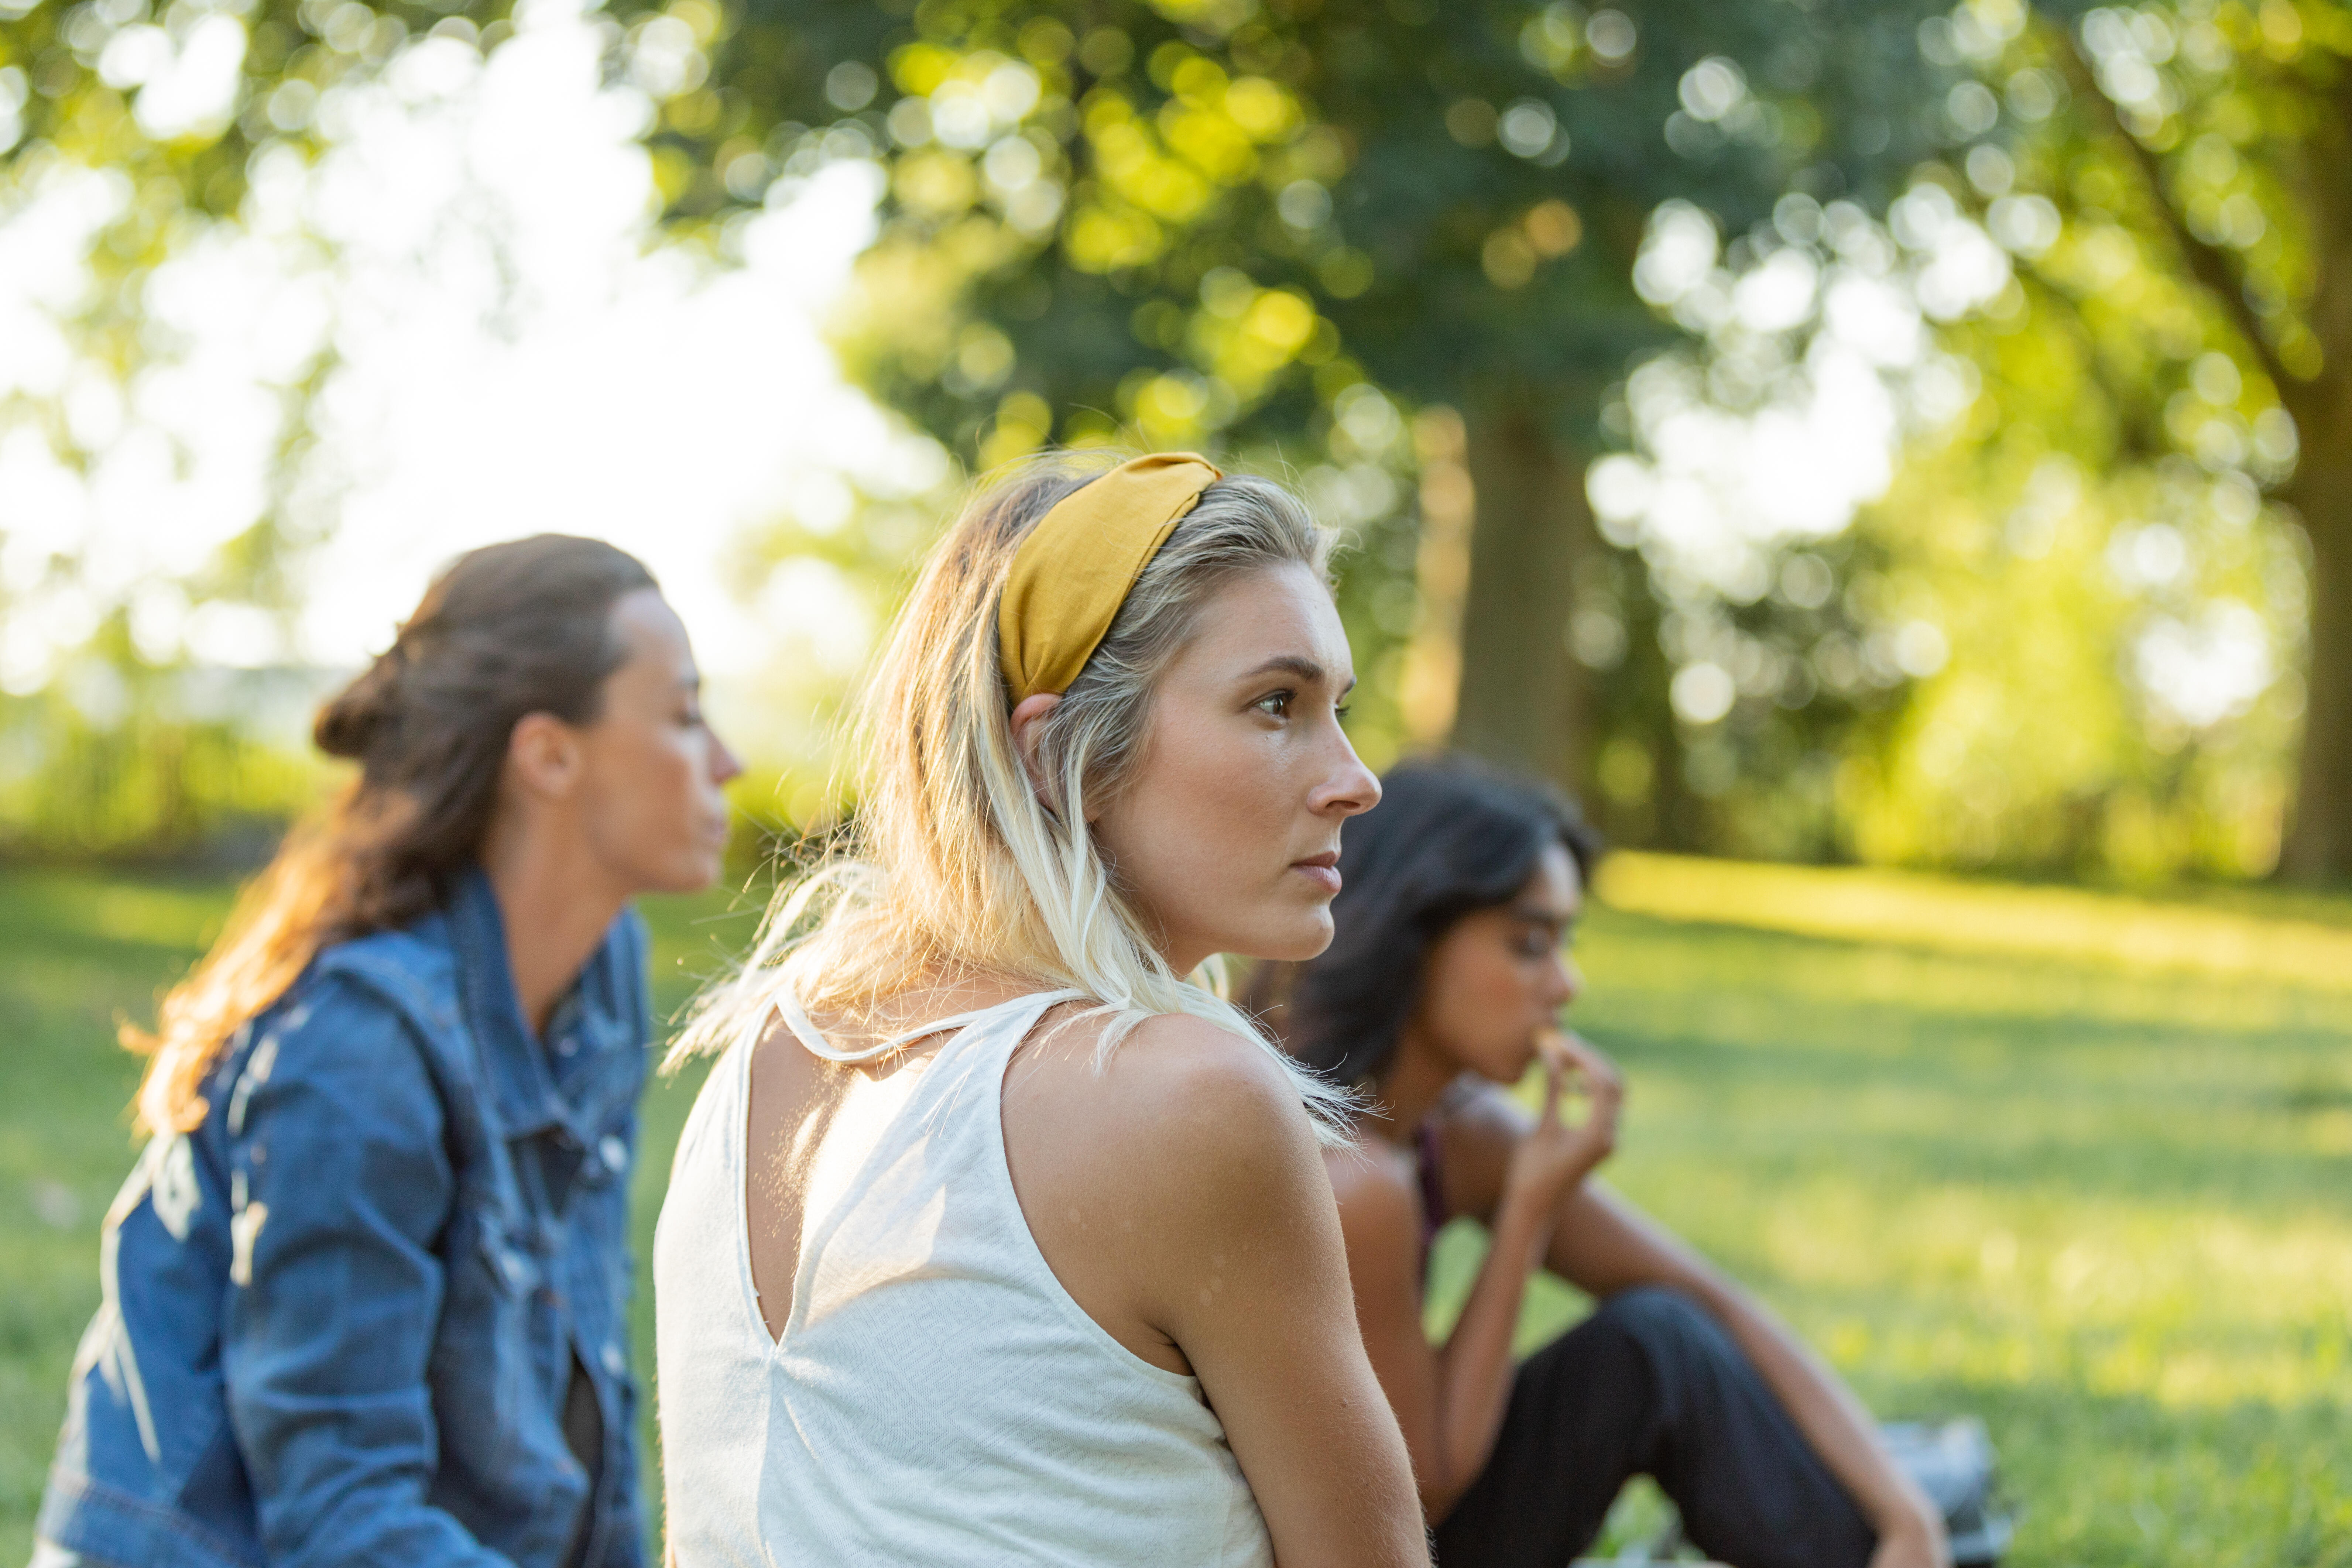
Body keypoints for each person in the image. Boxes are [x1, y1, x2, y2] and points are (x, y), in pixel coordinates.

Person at [654, 452, 1429, 1567]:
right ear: (1063, 753)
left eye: (1336, 709)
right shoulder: (1185, 1098)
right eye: (1276, 704)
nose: (1356, 779)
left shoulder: (762, 1048)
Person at [33, 536, 742, 1568]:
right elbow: (337, 1517)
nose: (727, 760)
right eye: (683, 715)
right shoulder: (355, 1048)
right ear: (549, 755)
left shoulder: (601, 974)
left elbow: (586, 1373)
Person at [1258, 758, 1952, 1568]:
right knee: (1650, 1345)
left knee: (1657, 1338)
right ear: (1410, 936)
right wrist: (1525, 1217)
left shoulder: (1459, 1133)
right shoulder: (1343, 1172)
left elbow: (1714, 1303)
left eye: (1564, 943)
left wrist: (1905, 1515)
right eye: (1527, 944)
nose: (1565, 984)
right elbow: (1425, 1487)